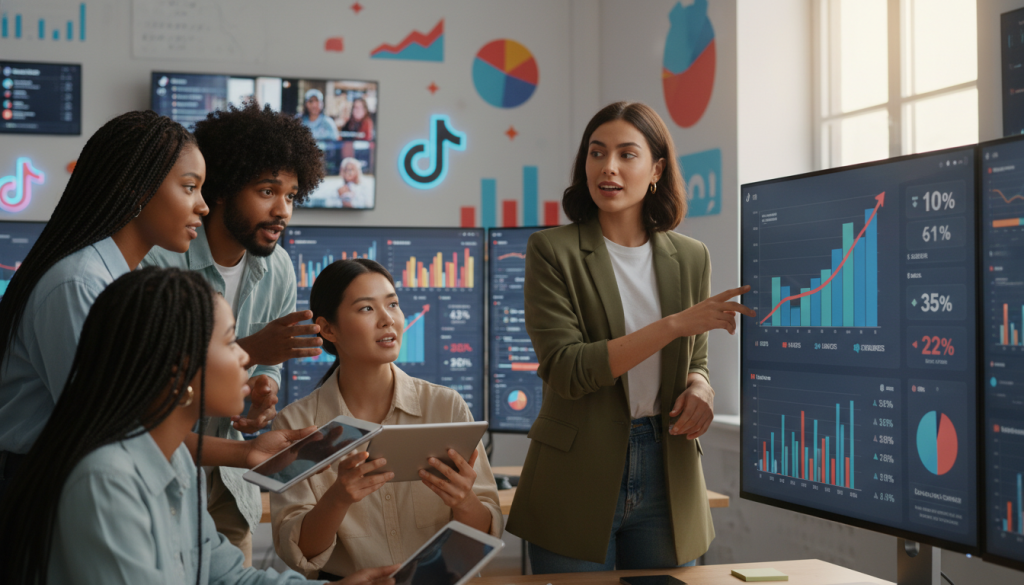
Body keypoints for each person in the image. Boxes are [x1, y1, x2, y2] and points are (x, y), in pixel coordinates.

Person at [0, 267, 399, 585]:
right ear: (179, 371)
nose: (245, 358)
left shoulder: (173, 463)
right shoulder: (106, 480)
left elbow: (225, 576)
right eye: (230, 343)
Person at [505, 102, 755, 572]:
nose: (609, 168)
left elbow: (694, 359)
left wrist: (701, 387)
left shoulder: (691, 256)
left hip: (667, 466)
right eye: (597, 154)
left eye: (627, 154)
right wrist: (674, 324)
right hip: (576, 472)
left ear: (657, 168)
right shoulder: (552, 251)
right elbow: (568, 370)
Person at [142, 101, 327, 565]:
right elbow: (144, 383)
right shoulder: (161, 257)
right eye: (267, 191)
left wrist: (265, 384)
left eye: (291, 196)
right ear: (222, 187)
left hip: (228, 479)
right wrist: (252, 349)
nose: (282, 210)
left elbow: (266, 365)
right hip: (158, 466)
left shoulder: (279, 266)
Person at [0, 110, 208, 498]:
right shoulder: (78, 282)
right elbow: (111, 421)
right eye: (189, 187)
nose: (203, 206)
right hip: (43, 486)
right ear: (137, 188)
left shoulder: (119, 276)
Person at [269, 259, 503, 581]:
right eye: (366, 309)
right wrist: (338, 498)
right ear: (327, 329)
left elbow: (482, 535)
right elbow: (301, 555)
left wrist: (464, 500)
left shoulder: (445, 406)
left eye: (392, 304)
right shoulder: (296, 423)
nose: (387, 319)